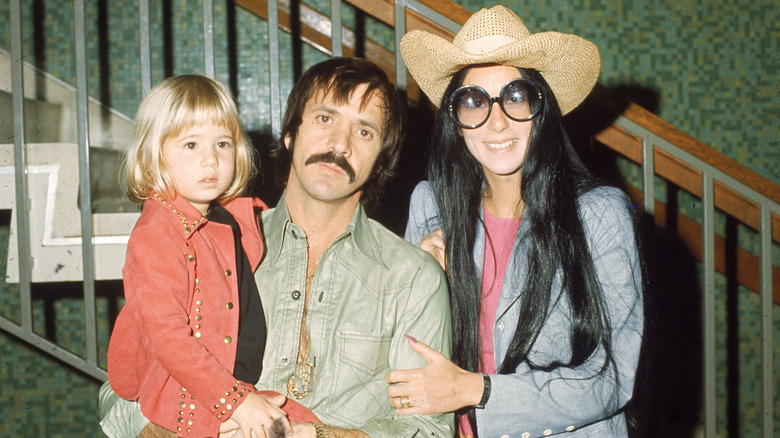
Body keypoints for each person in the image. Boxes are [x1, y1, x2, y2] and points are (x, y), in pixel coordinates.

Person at [100, 58, 453, 438]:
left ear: (381, 158)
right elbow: (121, 396)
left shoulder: (414, 277)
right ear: (290, 134)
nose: (340, 144)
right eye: (324, 119)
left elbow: (428, 429)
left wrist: (316, 436)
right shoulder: (209, 241)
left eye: (364, 132)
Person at [385, 6, 644, 438]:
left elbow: (612, 378)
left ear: (541, 106)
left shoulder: (600, 213)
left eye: (516, 96)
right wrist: (415, 279)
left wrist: (476, 390)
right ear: (456, 121)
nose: (497, 120)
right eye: (473, 102)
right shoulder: (430, 204)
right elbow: (404, 358)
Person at [103, 75, 318, 438]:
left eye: (222, 144)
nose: (211, 160)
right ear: (153, 155)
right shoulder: (157, 232)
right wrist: (236, 401)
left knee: (310, 426)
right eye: (190, 145)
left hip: (231, 383)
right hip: (186, 393)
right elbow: (168, 338)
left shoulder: (225, 217)